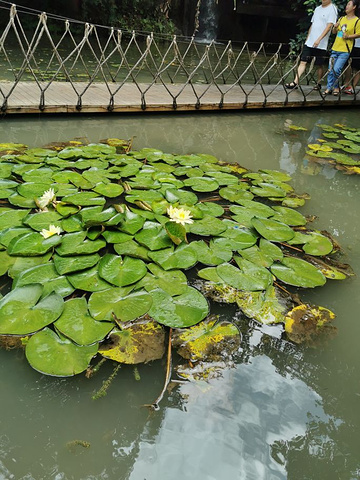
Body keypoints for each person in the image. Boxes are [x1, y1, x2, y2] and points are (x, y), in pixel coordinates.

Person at [285, 0, 337, 90]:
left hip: (321, 43)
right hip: (310, 41)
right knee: (303, 61)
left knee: (319, 64)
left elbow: (329, 26)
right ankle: (295, 82)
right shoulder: (317, 9)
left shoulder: (332, 9)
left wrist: (319, 39)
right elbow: (313, 24)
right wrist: (308, 38)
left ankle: (319, 83)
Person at [324, 0, 360, 95]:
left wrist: (348, 36)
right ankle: (329, 87)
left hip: (345, 49)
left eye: (349, 4)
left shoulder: (357, 21)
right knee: (330, 68)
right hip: (335, 47)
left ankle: (336, 87)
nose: (346, 6)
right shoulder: (341, 18)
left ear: (354, 7)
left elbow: (359, 34)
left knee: (337, 69)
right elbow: (334, 32)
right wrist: (335, 27)